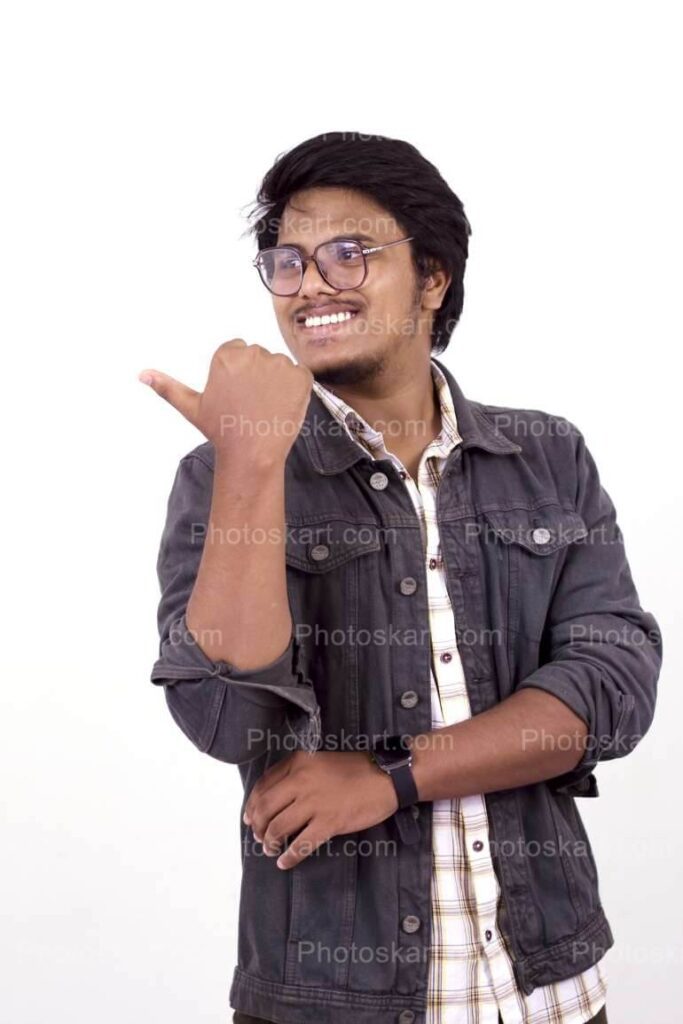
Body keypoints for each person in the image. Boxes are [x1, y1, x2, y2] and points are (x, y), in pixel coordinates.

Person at [140, 132, 661, 1024]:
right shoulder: (221, 476)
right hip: (331, 999)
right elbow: (226, 719)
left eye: (350, 253)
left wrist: (387, 777)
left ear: (431, 278)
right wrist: (255, 465)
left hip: (548, 992)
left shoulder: (546, 457)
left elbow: (608, 692)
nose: (310, 285)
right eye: (288, 261)